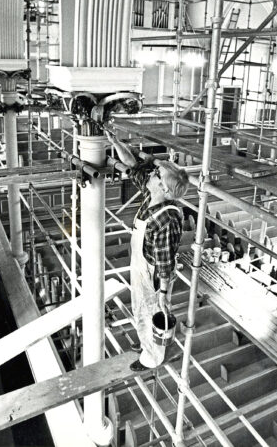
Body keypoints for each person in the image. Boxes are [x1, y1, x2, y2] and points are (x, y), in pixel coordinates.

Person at [106, 130, 189, 371]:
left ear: (164, 188)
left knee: (151, 310)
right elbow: (133, 166)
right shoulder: (152, 194)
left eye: (157, 174)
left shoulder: (167, 219)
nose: (151, 173)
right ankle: (145, 343)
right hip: (142, 264)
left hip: (153, 274)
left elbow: (164, 263)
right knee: (138, 307)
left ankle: (153, 357)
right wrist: (116, 143)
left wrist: (163, 293)